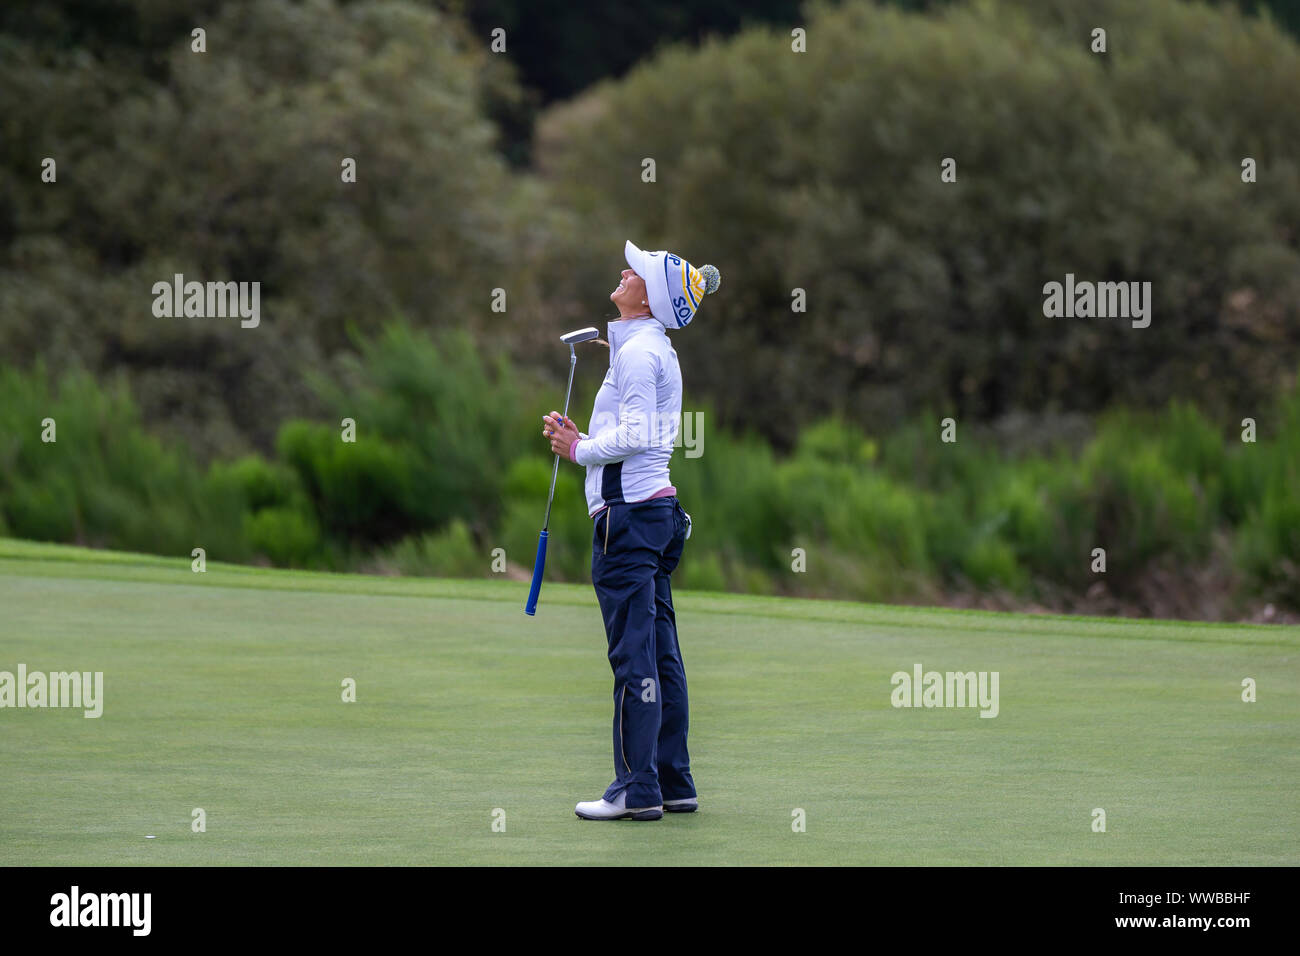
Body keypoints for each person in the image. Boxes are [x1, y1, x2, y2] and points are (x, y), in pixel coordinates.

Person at [542, 240, 720, 821]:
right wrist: (587, 439)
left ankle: (635, 789)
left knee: (633, 657)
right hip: (653, 516)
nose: (624, 271)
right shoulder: (644, 348)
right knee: (660, 650)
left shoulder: (642, 354)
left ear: (650, 299)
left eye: (637, 272)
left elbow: (638, 435)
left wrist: (579, 448)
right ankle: (673, 782)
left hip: (630, 521)